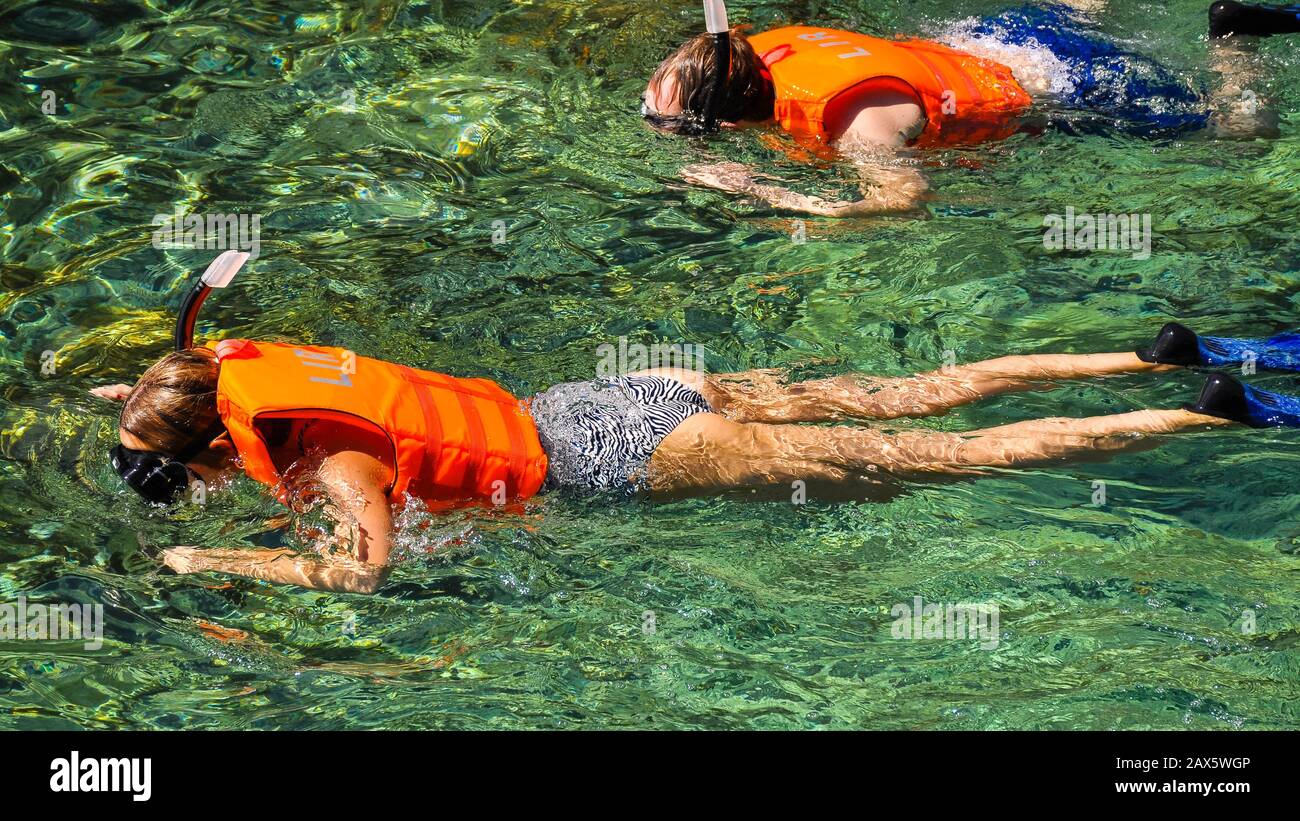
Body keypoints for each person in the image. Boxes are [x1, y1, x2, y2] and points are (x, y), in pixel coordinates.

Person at [94, 316, 1300, 596]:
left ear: (210, 449)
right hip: (606, 390)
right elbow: (184, 369)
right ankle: (1146, 357)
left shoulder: (335, 463)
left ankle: (1200, 415)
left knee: (940, 454)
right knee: (911, 387)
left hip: (625, 449)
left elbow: (363, 571)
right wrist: (141, 402)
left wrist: (219, 559)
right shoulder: (246, 366)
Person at [643, 1, 1300, 216]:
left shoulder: (852, 124)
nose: (650, 92)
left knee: (1242, 130)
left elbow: (904, 200)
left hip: (1061, 83)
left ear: (727, 124)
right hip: (990, 35)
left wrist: (758, 189)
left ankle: (1233, 40)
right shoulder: (754, 51)